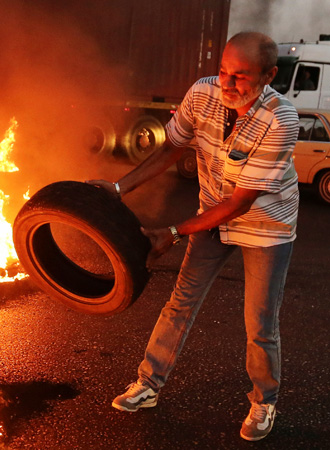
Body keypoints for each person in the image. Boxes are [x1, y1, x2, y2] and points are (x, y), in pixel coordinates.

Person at [88, 31, 299, 442]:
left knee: (259, 322)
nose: (227, 83)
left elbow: (240, 203)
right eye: (223, 71)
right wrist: (118, 188)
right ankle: (148, 384)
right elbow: (171, 149)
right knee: (180, 302)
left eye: (240, 76)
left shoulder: (281, 119)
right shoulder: (201, 94)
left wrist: (172, 232)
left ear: (269, 75)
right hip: (211, 217)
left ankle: (264, 401)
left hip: (265, 227)